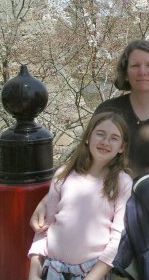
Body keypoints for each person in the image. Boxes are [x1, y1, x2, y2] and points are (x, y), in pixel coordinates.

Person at [30, 39, 149, 229]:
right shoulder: (109, 109)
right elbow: (83, 157)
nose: (142, 71)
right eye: (135, 65)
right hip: (108, 212)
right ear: (125, 72)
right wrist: (49, 198)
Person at [27, 112, 133, 280]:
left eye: (114, 138)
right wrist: (34, 268)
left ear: (122, 147)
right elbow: (45, 227)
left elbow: (118, 236)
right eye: (100, 134)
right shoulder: (63, 174)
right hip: (53, 269)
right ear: (88, 137)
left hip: (91, 272)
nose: (105, 142)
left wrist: (94, 277)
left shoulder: (122, 182)